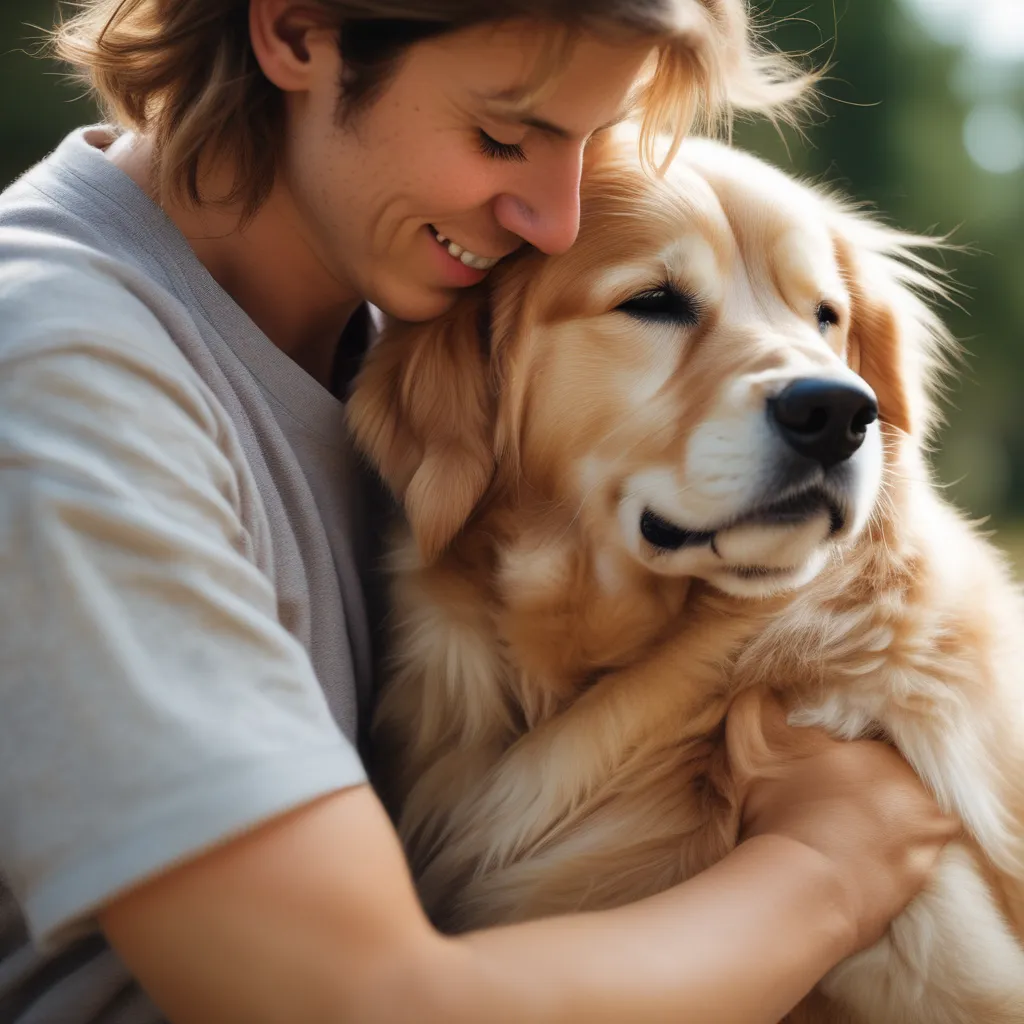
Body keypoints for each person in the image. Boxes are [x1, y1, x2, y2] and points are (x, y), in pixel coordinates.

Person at [0, 2, 958, 1022]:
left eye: (594, 141)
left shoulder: (407, 321)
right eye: (505, 135)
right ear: (294, 33)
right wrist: (827, 869)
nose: (555, 218)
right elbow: (358, 1004)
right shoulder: (59, 377)